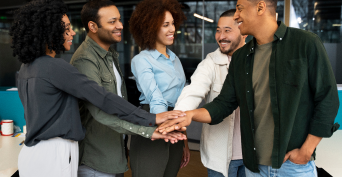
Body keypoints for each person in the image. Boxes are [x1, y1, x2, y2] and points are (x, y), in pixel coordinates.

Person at [158, 0, 340, 176]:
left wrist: (306, 151)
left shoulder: (305, 43)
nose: (236, 15)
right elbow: (223, 104)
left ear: (260, 7)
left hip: (293, 166)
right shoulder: (241, 58)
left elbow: (328, 99)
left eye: (239, 8)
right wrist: (189, 115)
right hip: (254, 167)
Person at [9, 0, 186, 176]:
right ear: (49, 31)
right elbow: (103, 100)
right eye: (67, 28)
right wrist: (150, 120)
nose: (72, 33)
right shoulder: (57, 67)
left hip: (35, 152)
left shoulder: (28, 67)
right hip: (56, 154)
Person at [70, 1, 183, 176]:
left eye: (120, 20)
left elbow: (118, 105)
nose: (120, 26)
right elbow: (100, 112)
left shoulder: (110, 55)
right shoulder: (85, 60)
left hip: (115, 152)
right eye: (112, 21)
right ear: (92, 26)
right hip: (97, 160)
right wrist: (148, 129)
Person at [174, 9, 247, 177]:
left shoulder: (256, 60)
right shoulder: (210, 63)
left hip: (252, 155)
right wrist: (179, 116)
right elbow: (193, 91)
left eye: (227, 30)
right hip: (220, 157)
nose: (221, 36)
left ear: (244, 32)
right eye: (218, 30)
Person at [128, 0, 189, 176]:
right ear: (151, 27)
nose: (172, 29)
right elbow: (156, 98)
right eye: (165, 25)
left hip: (175, 123)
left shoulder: (174, 58)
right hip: (153, 121)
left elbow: (182, 98)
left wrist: (183, 140)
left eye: (173, 24)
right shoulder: (142, 60)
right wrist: (165, 128)